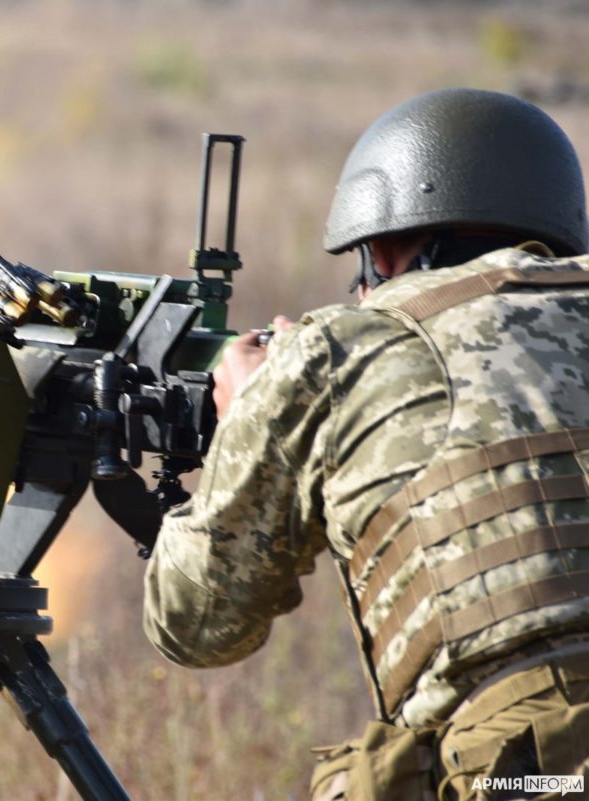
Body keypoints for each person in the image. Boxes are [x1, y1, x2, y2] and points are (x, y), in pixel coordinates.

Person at [143, 87, 589, 800]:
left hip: (530, 767)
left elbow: (197, 624)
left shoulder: (335, 352)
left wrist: (252, 407)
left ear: (381, 245)